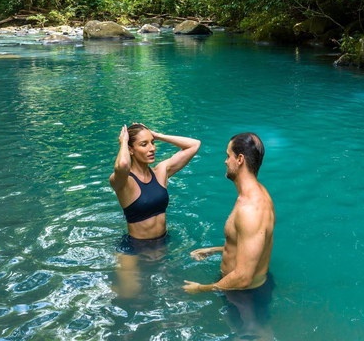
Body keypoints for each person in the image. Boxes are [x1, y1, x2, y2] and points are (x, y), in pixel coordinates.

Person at [183, 133, 275, 337]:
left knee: (251, 333)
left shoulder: (251, 209)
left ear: (240, 160)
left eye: (228, 156)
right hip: (249, 289)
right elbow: (248, 244)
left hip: (245, 294)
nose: (225, 161)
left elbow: (243, 277)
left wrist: (203, 289)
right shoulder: (257, 194)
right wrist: (216, 250)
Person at [110, 123, 200, 296]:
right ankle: (105, 290)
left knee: (172, 291)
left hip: (162, 243)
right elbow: (122, 164)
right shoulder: (123, 182)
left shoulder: (161, 172)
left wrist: (157, 134)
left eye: (152, 143)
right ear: (131, 150)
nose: (152, 148)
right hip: (134, 248)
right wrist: (123, 141)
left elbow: (194, 144)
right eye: (144, 145)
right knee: (129, 295)